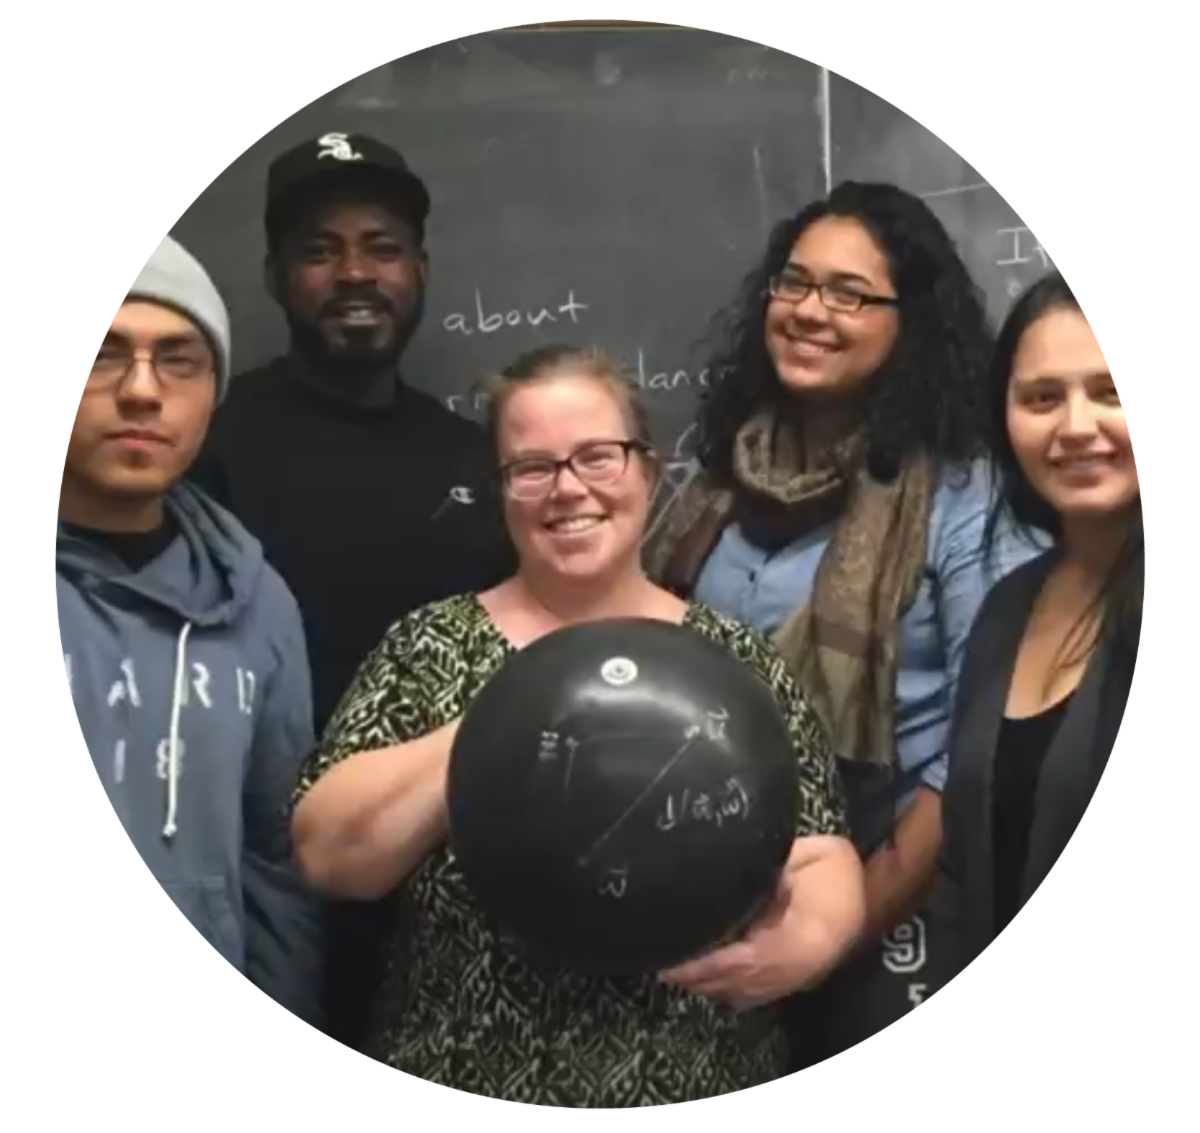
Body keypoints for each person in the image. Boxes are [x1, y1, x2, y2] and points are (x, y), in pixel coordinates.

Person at [289, 345, 866, 1104]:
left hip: (696, 1070)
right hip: (467, 1066)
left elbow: (824, 855)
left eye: (598, 456)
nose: (568, 489)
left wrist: (814, 938)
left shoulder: (732, 659)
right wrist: (516, 714)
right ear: (501, 491)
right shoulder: (428, 646)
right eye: (532, 467)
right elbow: (328, 855)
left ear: (650, 470)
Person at [643, 181, 1045, 1065]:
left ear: (912, 320)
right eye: (795, 283)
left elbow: (978, 743)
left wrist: (847, 917)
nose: (810, 311)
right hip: (717, 901)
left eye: (851, 293)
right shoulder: (716, 477)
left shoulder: (963, 495)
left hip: (899, 908)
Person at [187, 131, 516, 1046]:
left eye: (381, 247)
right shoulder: (210, 448)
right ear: (274, 275)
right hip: (257, 885)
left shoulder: (472, 460)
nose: (354, 273)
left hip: (441, 900)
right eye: (319, 251)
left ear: (421, 266)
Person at [58, 235, 323, 1026]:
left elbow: (276, 865)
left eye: (178, 358)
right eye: (106, 355)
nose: (143, 390)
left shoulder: (258, 600)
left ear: (211, 392)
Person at [928, 273, 1139, 988]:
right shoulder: (1008, 607)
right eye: (1041, 397)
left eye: (1110, 392)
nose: (1076, 425)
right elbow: (962, 865)